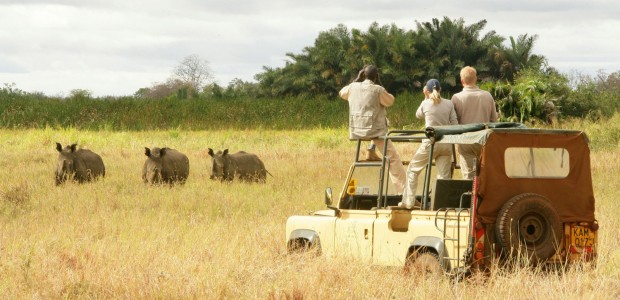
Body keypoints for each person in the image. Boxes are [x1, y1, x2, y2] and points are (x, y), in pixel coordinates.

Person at [339, 65, 406, 194]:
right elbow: (390, 101)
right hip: (374, 132)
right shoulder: (378, 89)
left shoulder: (353, 87)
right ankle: (403, 193)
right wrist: (379, 84)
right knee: (393, 159)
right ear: (376, 77)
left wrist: (356, 80)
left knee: (383, 121)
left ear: (362, 75)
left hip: (357, 130)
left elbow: (342, 93)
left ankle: (371, 150)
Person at [399, 79, 458, 209]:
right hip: (446, 143)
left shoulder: (425, 103)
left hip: (430, 143)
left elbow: (418, 115)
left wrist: (426, 97)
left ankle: (408, 202)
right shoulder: (449, 104)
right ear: (440, 89)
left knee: (413, 169)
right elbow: (455, 123)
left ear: (427, 91)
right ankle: (441, 205)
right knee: (444, 176)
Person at [451, 66, 498, 179]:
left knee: (469, 176)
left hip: (466, 141)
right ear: (475, 79)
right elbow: (494, 120)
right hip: (485, 141)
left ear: (462, 81)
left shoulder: (456, 98)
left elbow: (453, 123)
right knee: (485, 175)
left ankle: (471, 196)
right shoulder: (487, 95)